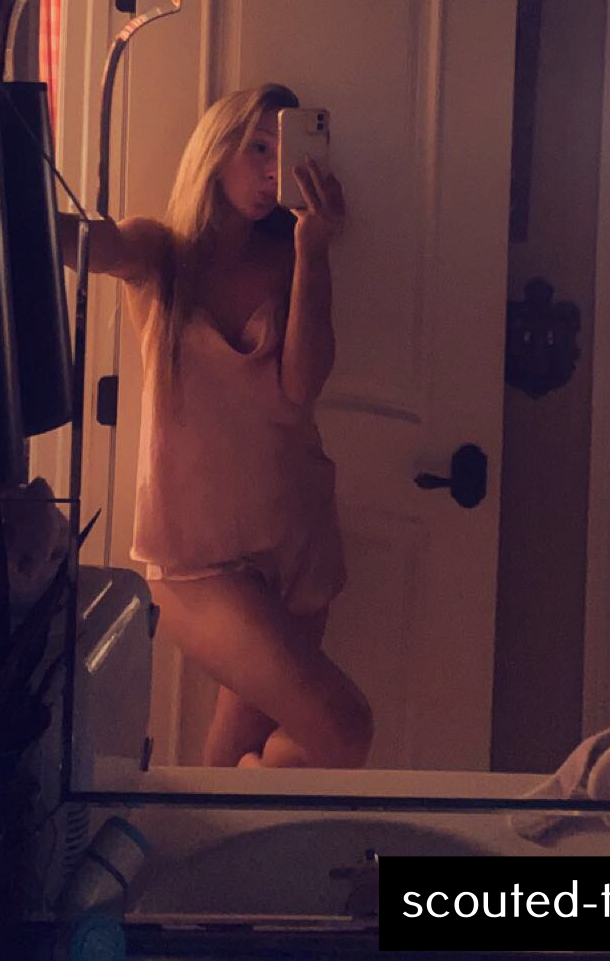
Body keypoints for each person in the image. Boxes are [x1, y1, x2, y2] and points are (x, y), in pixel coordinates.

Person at [59, 83, 372, 770]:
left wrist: (314, 249)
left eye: (283, 153)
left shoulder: (289, 259)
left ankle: (227, 823)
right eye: (257, 147)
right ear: (215, 146)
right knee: (346, 729)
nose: (270, 171)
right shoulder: (162, 253)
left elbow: (301, 391)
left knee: (235, 763)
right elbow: (94, 245)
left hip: (298, 538)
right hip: (197, 562)